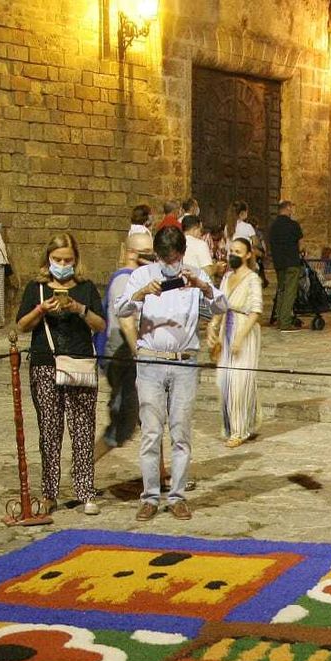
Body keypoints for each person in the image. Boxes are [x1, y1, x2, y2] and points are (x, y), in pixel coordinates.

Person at [114, 223, 227, 521]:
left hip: (184, 362)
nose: (169, 265)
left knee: (181, 431)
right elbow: (120, 309)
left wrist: (203, 287)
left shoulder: (195, 275)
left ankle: (177, 496)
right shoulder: (142, 275)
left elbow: (221, 306)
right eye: (164, 259)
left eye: (174, 259)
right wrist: (141, 293)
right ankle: (150, 496)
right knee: (151, 432)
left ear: (182, 254)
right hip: (151, 360)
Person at [15, 234, 107, 515]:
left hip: (79, 362)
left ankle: (85, 490)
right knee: (50, 430)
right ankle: (49, 493)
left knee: (83, 429)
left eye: (68, 260)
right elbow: (22, 325)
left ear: (76, 260)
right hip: (46, 363)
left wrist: (79, 309)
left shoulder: (86, 288)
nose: (63, 265)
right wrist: (41, 309)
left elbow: (100, 324)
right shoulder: (36, 288)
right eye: (58, 260)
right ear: (48, 259)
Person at [209, 236, 264, 447]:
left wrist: (240, 336)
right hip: (227, 328)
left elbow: (256, 311)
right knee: (224, 380)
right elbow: (221, 304)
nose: (233, 255)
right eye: (231, 251)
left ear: (248, 255)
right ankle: (240, 423)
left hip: (245, 330)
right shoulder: (226, 277)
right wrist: (214, 326)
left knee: (240, 381)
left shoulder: (252, 279)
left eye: (238, 252)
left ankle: (239, 431)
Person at [101, 230, 152, 450]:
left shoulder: (141, 279)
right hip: (123, 356)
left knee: (151, 418)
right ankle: (83, 466)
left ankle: (158, 469)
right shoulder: (124, 280)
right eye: (146, 252)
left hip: (135, 354)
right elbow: (126, 322)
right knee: (121, 425)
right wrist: (140, 355)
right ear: (132, 253)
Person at [267, 200, 304, 331]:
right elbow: (301, 246)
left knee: (281, 290)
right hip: (292, 262)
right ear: (288, 208)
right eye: (292, 208)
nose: (292, 210)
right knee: (290, 292)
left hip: (279, 263)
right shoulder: (293, 225)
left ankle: (279, 319)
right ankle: (285, 322)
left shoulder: (273, 226)